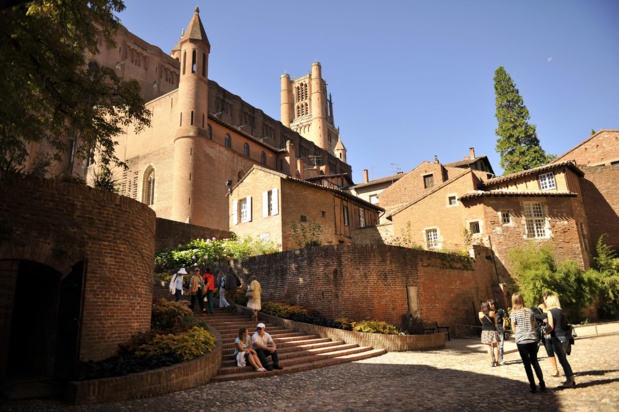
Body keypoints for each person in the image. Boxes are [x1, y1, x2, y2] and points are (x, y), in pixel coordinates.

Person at [510, 293, 546, 393]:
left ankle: (533, 386)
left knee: (527, 364)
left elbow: (513, 329)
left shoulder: (513, 313)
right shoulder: (529, 311)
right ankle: (542, 383)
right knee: (535, 361)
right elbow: (533, 324)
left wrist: (519, 332)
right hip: (532, 338)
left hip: (522, 340)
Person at [546, 294, 576, 388]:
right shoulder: (560, 311)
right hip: (565, 337)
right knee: (564, 360)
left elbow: (551, 326)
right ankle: (570, 378)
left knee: (562, 360)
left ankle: (570, 380)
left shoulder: (550, 312)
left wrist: (545, 331)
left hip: (557, 338)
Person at [535, 292, 560, 377]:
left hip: (555, 331)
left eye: (546, 298)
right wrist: (544, 318)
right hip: (546, 331)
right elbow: (536, 315)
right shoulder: (540, 307)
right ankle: (555, 369)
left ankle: (564, 366)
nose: (545, 300)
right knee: (549, 350)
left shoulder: (554, 308)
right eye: (544, 298)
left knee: (559, 350)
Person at [479, 301, 500, 367]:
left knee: (488, 347)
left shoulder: (480, 313)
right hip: (492, 330)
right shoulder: (492, 313)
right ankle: (497, 361)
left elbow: (481, 322)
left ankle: (491, 361)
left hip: (485, 331)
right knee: (495, 346)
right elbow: (496, 323)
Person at [488, 299, 506, 365]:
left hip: (500, 328)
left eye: (490, 304)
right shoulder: (489, 312)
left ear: (493, 304)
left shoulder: (500, 311)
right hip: (493, 330)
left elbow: (504, 319)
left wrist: (504, 327)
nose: (489, 306)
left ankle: (501, 358)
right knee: (494, 345)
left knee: (501, 345)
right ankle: (495, 359)